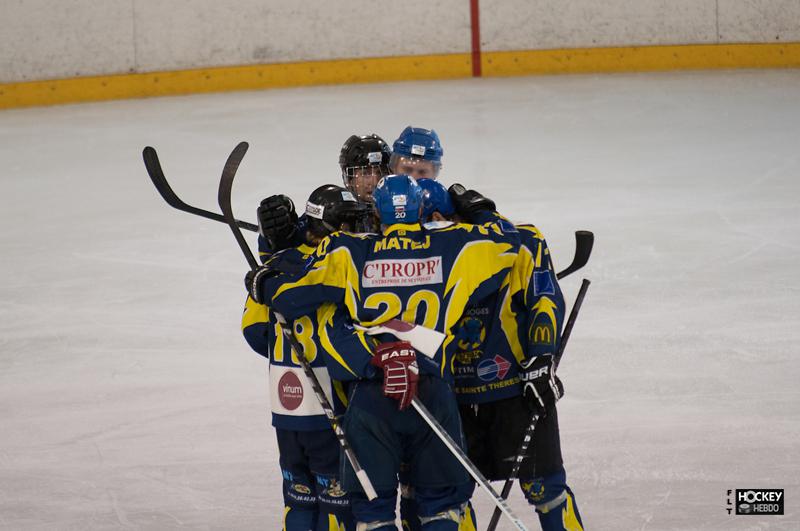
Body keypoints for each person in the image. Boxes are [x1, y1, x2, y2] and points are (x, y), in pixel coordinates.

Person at [248, 175, 521, 530]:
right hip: (432, 392)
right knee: (440, 507)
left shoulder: (349, 250)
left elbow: (288, 296)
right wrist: (478, 208)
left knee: (373, 513)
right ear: (421, 210)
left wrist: (264, 278)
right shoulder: (456, 244)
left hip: (372, 396)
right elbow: (510, 242)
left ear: (376, 212)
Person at [418, 178, 585, 531]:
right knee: (447, 500)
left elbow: (544, 299)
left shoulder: (520, 239)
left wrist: (541, 359)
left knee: (545, 488)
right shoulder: (414, 253)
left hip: (514, 391)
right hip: (450, 399)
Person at [242, 184, 376, 531]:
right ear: (334, 227)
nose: (356, 230)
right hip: (328, 407)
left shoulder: (273, 267)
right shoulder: (337, 266)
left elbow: (255, 333)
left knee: (298, 500)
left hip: (285, 408)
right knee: (337, 507)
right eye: (350, 223)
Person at [257, 133, 392, 256]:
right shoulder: (332, 209)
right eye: (365, 173)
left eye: (381, 171)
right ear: (349, 178)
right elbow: (282, 259)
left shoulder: (399, 206)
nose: (375, 181)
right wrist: (279, 237)